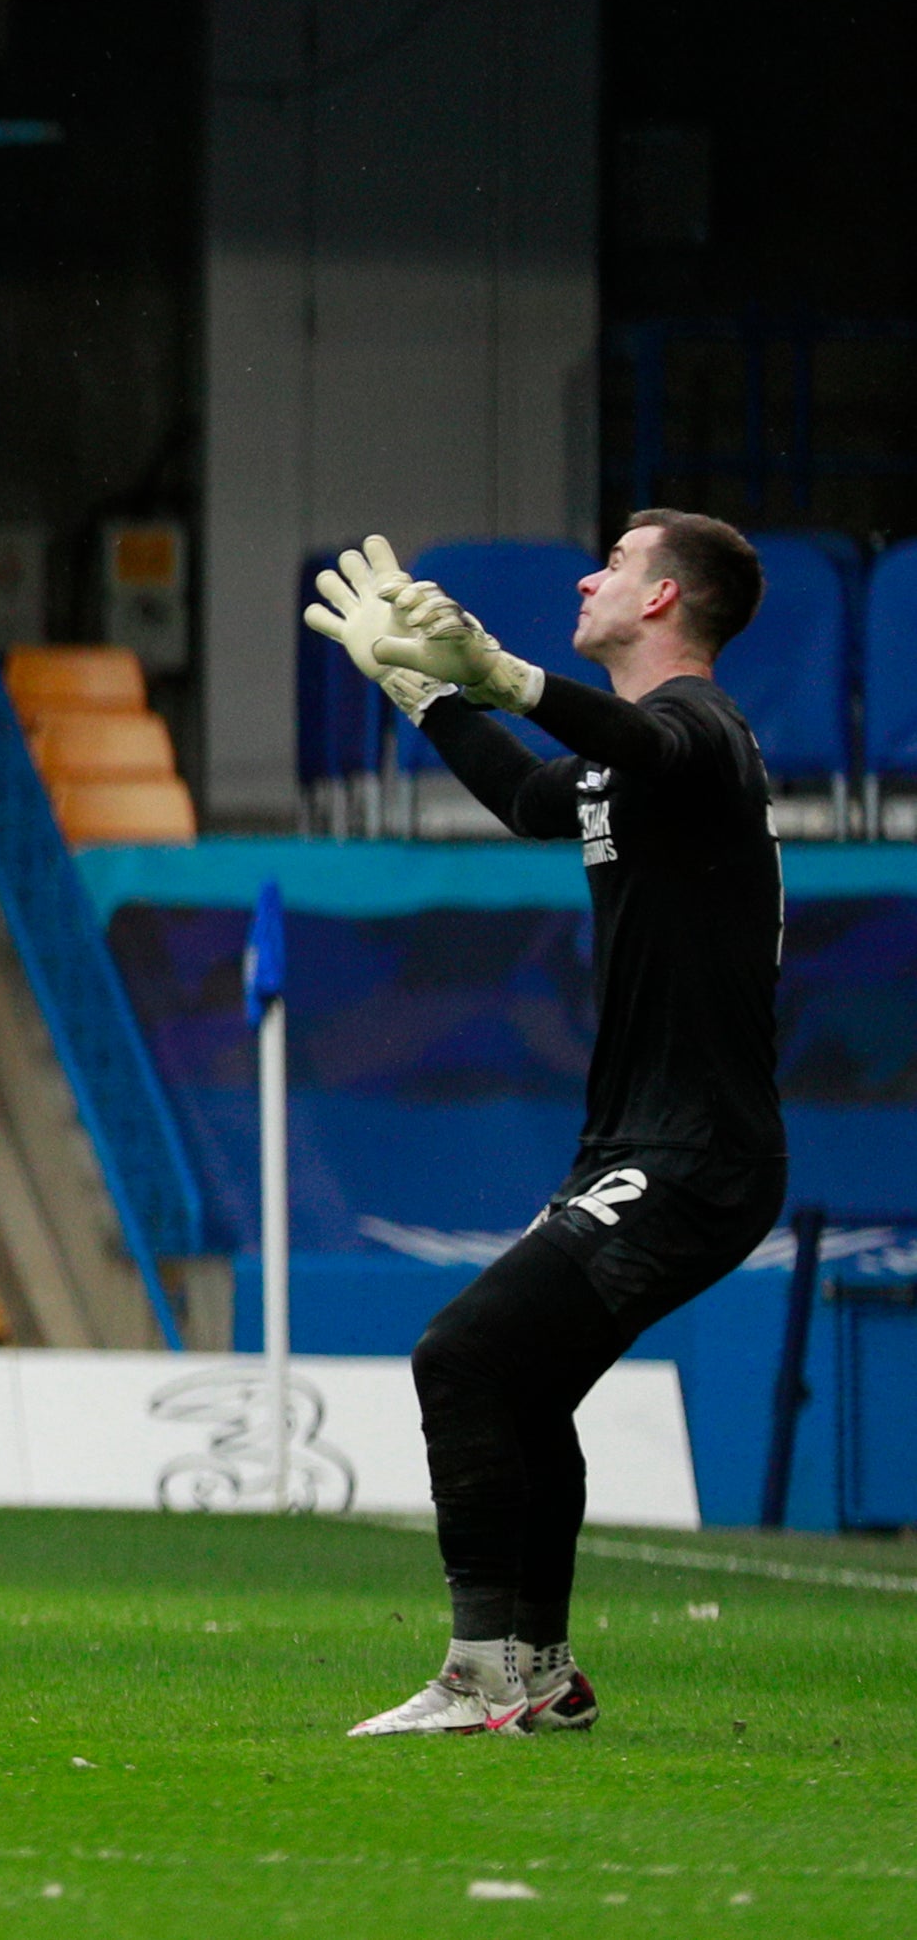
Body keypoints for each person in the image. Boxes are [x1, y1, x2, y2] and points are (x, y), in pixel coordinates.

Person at [305, 517, 785, 1738]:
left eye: (615, 562)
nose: (588, 575)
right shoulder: (641, 762)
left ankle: (480, 1676)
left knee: (460, 1353)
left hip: (692, 1154)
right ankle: (543, 1672)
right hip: (644, 1145)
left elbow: (631, 735)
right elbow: (532, 795)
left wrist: (506, 677)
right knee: (517, 1383)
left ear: (665, 595)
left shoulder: (702, 736)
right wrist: (421, 693)